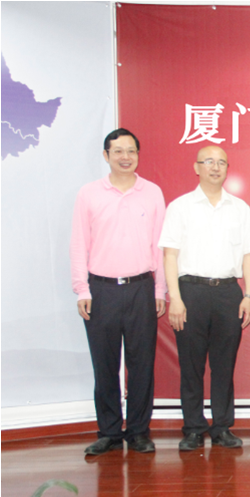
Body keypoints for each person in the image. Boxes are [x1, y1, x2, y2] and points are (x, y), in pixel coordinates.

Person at [70, 128, 167, 456]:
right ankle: (109, 431)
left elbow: (160, 246)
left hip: (141, 288)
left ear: (138, 155)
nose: (126, 157)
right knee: (105, 364)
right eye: (118, 151)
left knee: (142, 364)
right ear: (106, 155)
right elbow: (79, 243)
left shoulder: (152, 192)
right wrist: (81, 288)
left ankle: (138, 431)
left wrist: (160, 289)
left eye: (131, 151)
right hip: (101, 290)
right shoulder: (89, 193)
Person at [159, 146, 250, 450]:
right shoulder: (180, 207)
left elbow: (248, 255)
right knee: (191, 365)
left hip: (228, 292)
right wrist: (175, 298)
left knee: (224, 365)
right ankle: (193, 428)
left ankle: (222, 427)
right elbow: (170, 255)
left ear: (227, 168)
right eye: (209, 162)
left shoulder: (239, 208)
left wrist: (248, 295)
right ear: (196, 167)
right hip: (191, 292)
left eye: (221, 162)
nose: (215, 167)